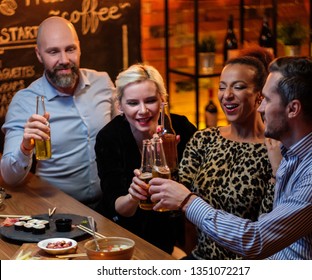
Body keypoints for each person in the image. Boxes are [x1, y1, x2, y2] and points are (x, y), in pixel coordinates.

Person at [148, 56, 312, 259]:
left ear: (293, 109)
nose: (260, 108)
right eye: (222, 87)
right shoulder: (290, 148)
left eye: (267, 100)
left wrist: (188, 201)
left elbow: (257, 240)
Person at [145, 51, 279, 260]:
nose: (227, 95)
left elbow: (268, 228)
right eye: (222, 87)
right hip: (201, 258)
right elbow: (173, 205)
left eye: (238, 86)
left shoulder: (273, 149)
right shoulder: (204, 139)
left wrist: (276, 173)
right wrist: (156, 172)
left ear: (260, 95)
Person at [0, 16, 116, 209]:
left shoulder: (102, 82)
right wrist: (25, 148)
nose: (64, 60)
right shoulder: (25, 102)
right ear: (39, 55)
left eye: (70, 49)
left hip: (110, 204)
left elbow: (120, 137)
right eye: (53, 52)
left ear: (79, 48)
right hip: (57, 211)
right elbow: (9, 178)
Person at [94, 63, 197, 254]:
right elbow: (117, 207)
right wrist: (133, 196)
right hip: (123, 235)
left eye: (150, 100)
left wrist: (176, 165)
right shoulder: (109, 137)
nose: (143, 111)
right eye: (133, 103)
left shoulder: (180, 128)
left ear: (162, 99)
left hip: (173, 231)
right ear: (120, 105)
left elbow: (199, 189)